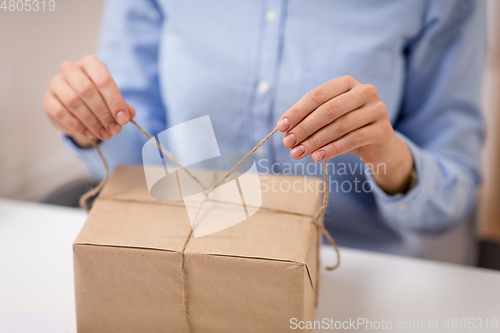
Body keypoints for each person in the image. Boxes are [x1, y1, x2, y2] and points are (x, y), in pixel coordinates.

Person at [42, 0, 486, 264]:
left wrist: (386, 154)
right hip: (186, 256)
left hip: (353, 270)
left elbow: (452, 195)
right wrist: (89, 124)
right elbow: (137, 148)